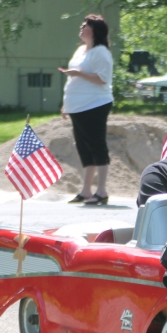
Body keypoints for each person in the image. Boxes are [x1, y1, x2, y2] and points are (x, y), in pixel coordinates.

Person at [59, 14, 114, 205]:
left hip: (95, 104)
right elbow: (74, 80)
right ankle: (86, 190)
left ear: (95, 31)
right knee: (84, 148)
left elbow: (103, 78)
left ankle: (102, 191)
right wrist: (67, 104)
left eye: (87, 25)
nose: (82, 27)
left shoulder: (101, 52)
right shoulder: (80, 51)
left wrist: (78, 73)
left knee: (97, 145)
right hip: (78, 106)